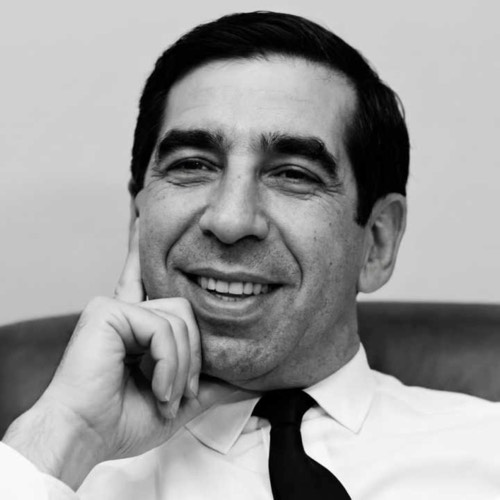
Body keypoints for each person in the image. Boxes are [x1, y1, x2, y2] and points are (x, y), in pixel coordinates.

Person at [1, 11, 499, 499]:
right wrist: (67, 433)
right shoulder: (49, 472)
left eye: (293, 175)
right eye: (193, 165)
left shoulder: (486, 452)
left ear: (378, 243)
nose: (231, 220)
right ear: (139, 219)